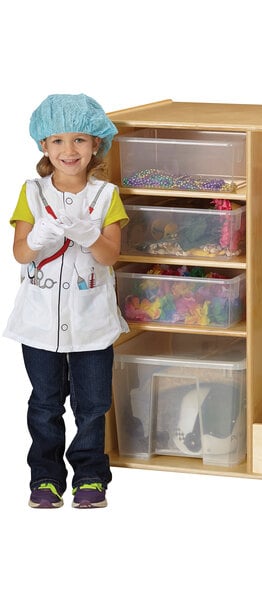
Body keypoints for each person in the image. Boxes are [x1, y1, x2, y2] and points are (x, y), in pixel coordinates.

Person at [3, 94, 129, 509]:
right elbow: (21, 253)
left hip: (91, 320)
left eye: (79, 140)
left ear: (96, 146)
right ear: (43, 146)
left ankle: (91, 476)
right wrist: (38, 237)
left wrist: (89, 234)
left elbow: (111, 256)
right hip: (39, 323)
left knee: (92, 405)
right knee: (44, 402)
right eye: (57, 140)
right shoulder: (32, 193)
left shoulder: (107, 195)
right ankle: (46, 477)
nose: (68, 150)